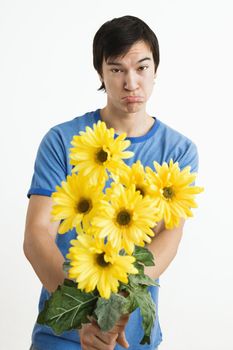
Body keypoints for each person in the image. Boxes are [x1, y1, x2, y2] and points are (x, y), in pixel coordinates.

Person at [24, 15, 199, 350]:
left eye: (141, 68)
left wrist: (112, 309)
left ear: (155, 70)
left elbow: (169, 236)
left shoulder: (178, 151)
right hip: (62, 336)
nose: (131, 83)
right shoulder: (63, 140)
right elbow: (36, 234)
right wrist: (84, 317)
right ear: (101, 73)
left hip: (132, 337)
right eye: (117, 69)